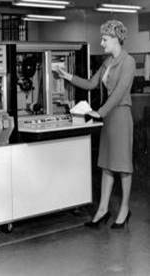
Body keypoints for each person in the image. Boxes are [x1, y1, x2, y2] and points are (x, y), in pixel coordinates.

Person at [56, 20, 135, 229]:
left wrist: (99, 112)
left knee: (123, 166)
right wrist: (68, 76)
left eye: (105, 39)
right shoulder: (107, 62)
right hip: (108, 118)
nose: (101, 43)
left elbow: (118, 94)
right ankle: (102, 210)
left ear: (116, 39)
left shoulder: (129, 62)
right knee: (106, 165)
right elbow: (91, 83)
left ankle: (124, 209)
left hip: (120, 116)